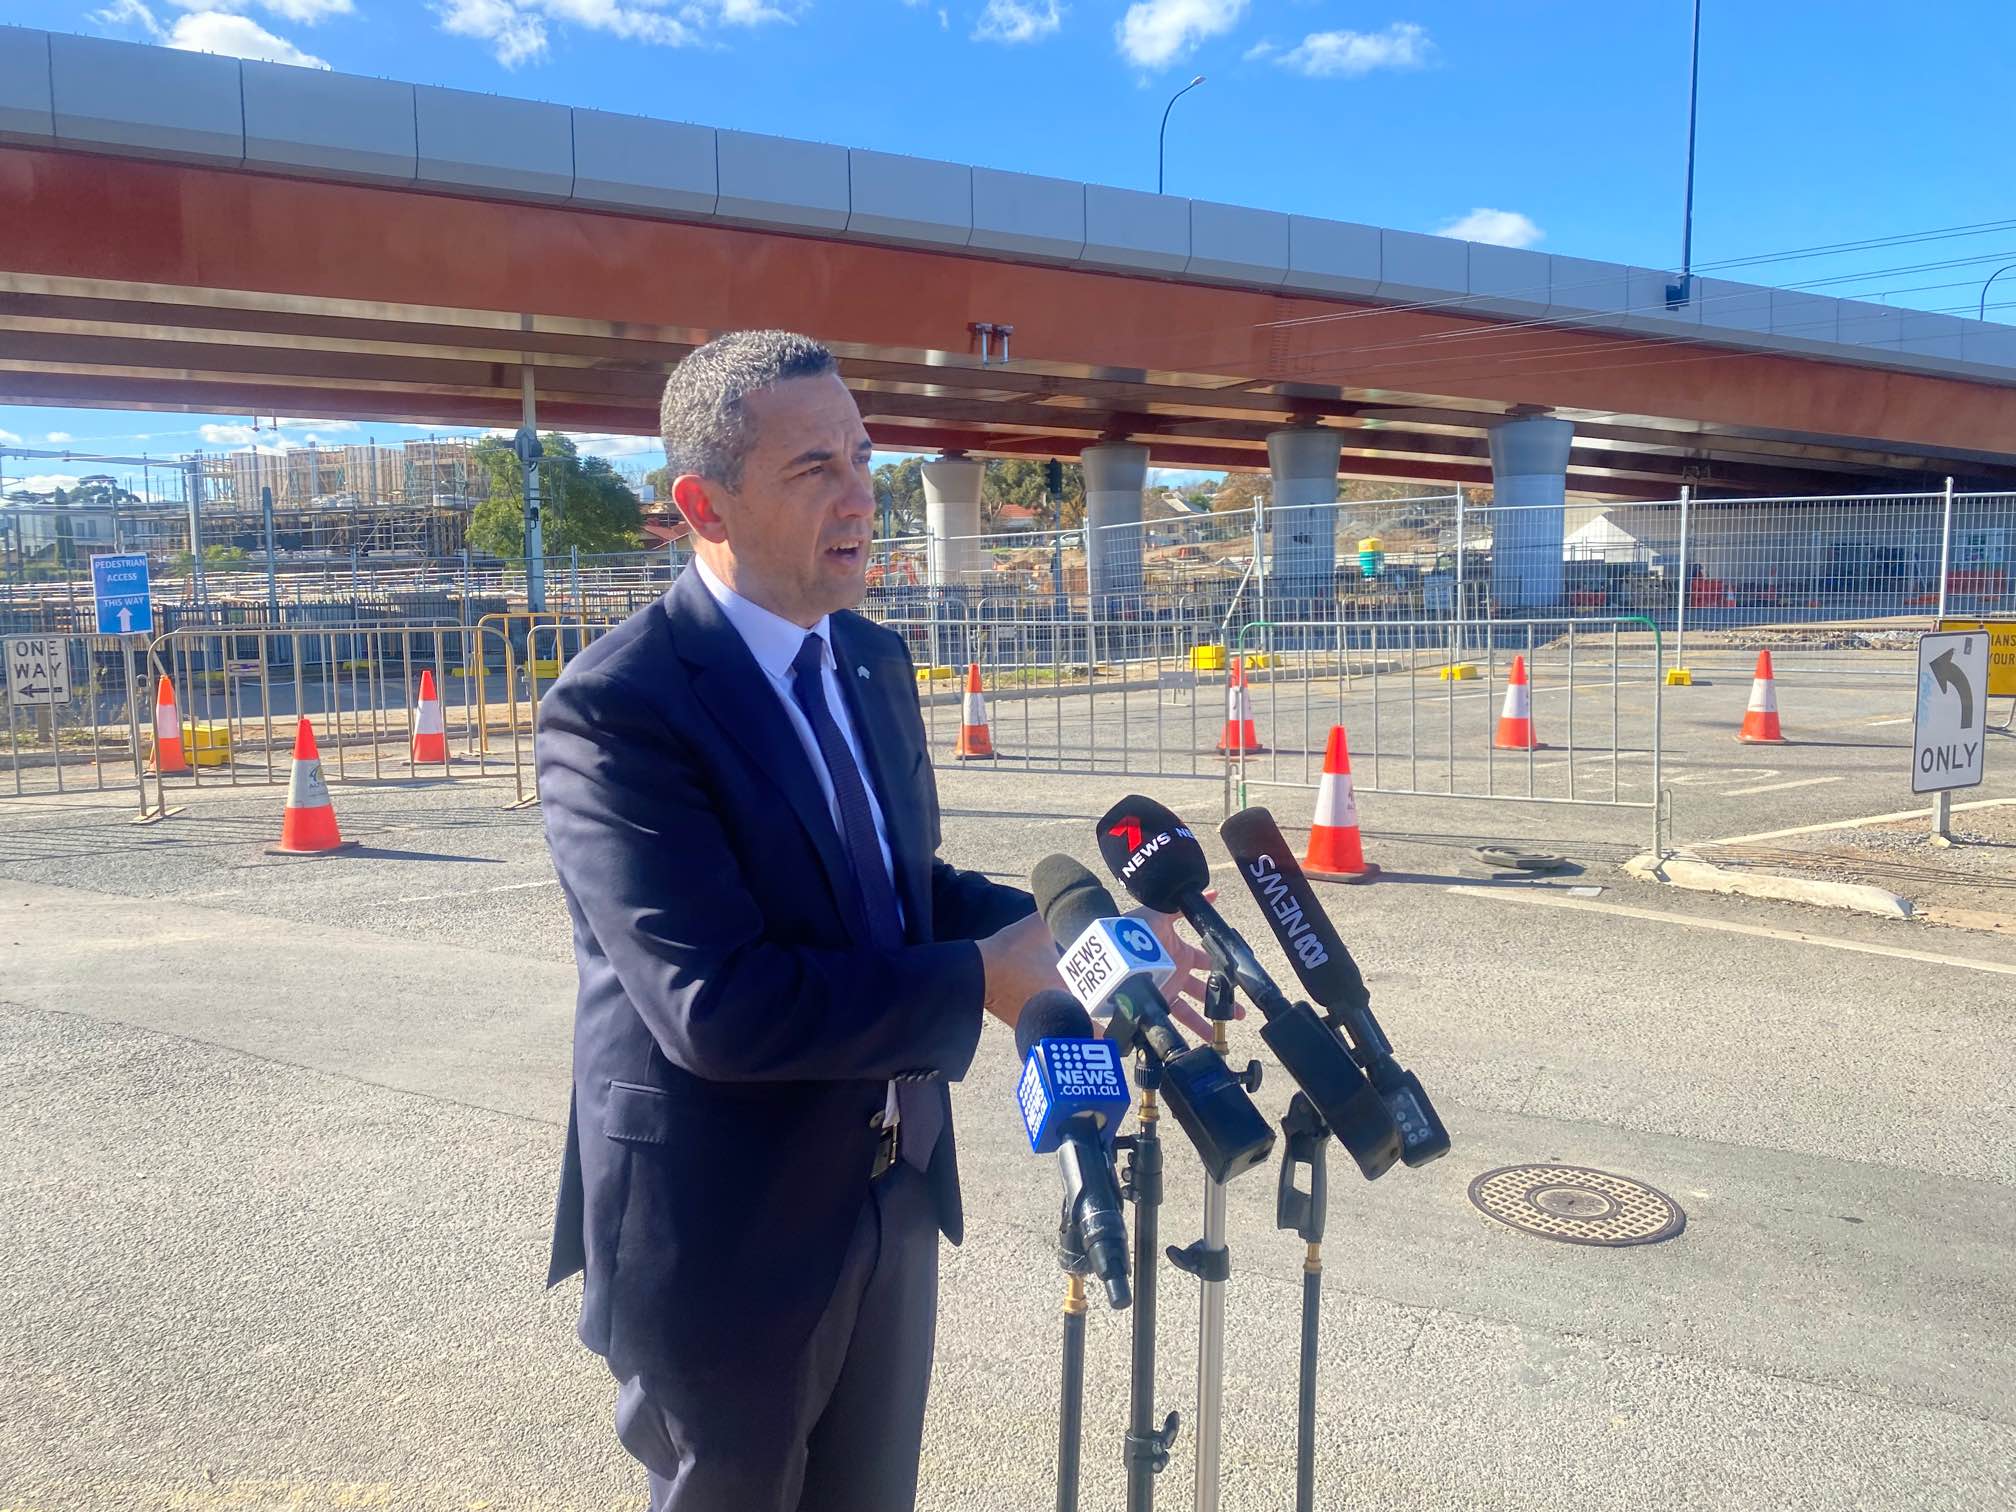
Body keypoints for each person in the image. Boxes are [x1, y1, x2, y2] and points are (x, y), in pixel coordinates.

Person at [537, 330, 1208, 1512]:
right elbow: (717, 1006)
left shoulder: (870, 661)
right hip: (721, 1234)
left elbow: (902, 889)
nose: (865, 499)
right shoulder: (617, 710)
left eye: (863, 456)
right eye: (815, 471)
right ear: (707, 502)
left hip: (893, 1193)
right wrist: (976, 984)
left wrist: (1091, 947)